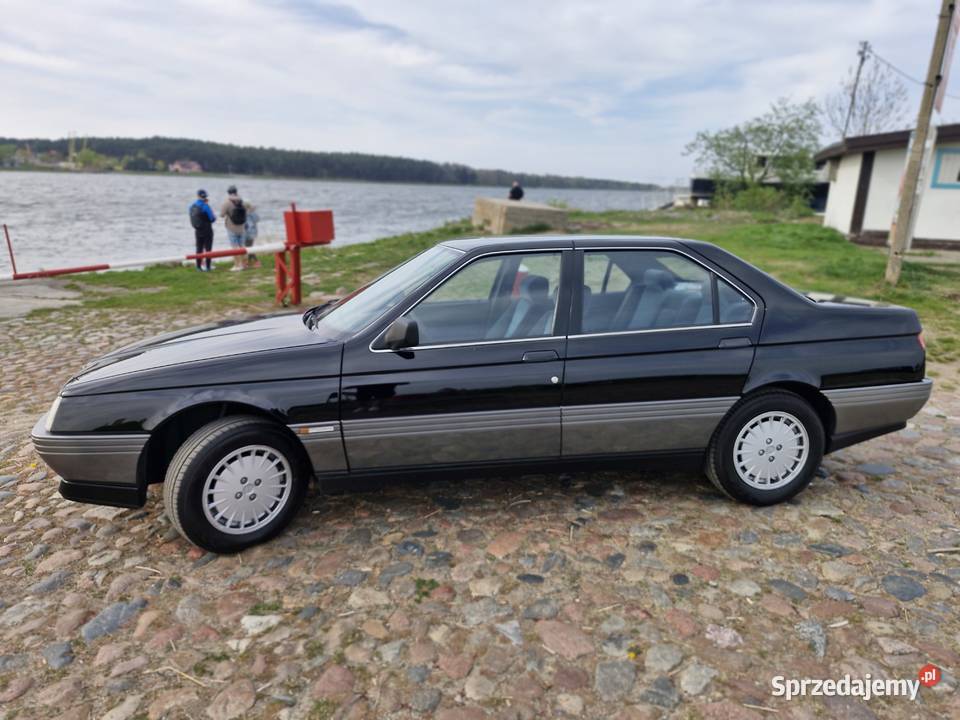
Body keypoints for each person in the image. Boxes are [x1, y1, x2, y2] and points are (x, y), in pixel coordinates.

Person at [220, 185, 252, 271]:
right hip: (241, 227)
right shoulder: (243, 202)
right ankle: (244, 264)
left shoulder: (227, 202)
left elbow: (222, 215)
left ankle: (237, 265)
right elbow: (249, 209)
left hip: (231, 227)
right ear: (236, 192)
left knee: (234, 247)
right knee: (242, 246)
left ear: (228, 193)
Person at [189, 189, 216, 272]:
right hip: (207, 230)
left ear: (197, 196)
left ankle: (198, 267)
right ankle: (208, 267)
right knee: (208, 248)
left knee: (199, 248)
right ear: (205, 196)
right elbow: (212, 218)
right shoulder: (205, 206)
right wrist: (208, 206)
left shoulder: (191, 206)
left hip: (197, 230)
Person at [244, 204, 261, 268]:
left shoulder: (247, 213)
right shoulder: (253, 213)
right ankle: (248, 262)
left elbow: (247, 224)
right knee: (249, 247)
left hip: (248, 233)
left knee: (249, 248)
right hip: (253, 232)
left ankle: (256, 261)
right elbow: (258, 219)